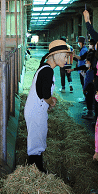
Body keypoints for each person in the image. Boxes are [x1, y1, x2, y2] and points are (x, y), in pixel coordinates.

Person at [24, 39, 73, 172]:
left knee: (38, 139)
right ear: (56, 55)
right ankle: (35, 171)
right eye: (65, 56)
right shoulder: (47, 71)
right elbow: (45, 94)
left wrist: (51, 100)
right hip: (36, 111)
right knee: (36, 143)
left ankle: (36, 169)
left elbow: (43, 92)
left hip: (37, 110)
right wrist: (51, 101)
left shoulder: (45, 68)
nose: (66, 59)